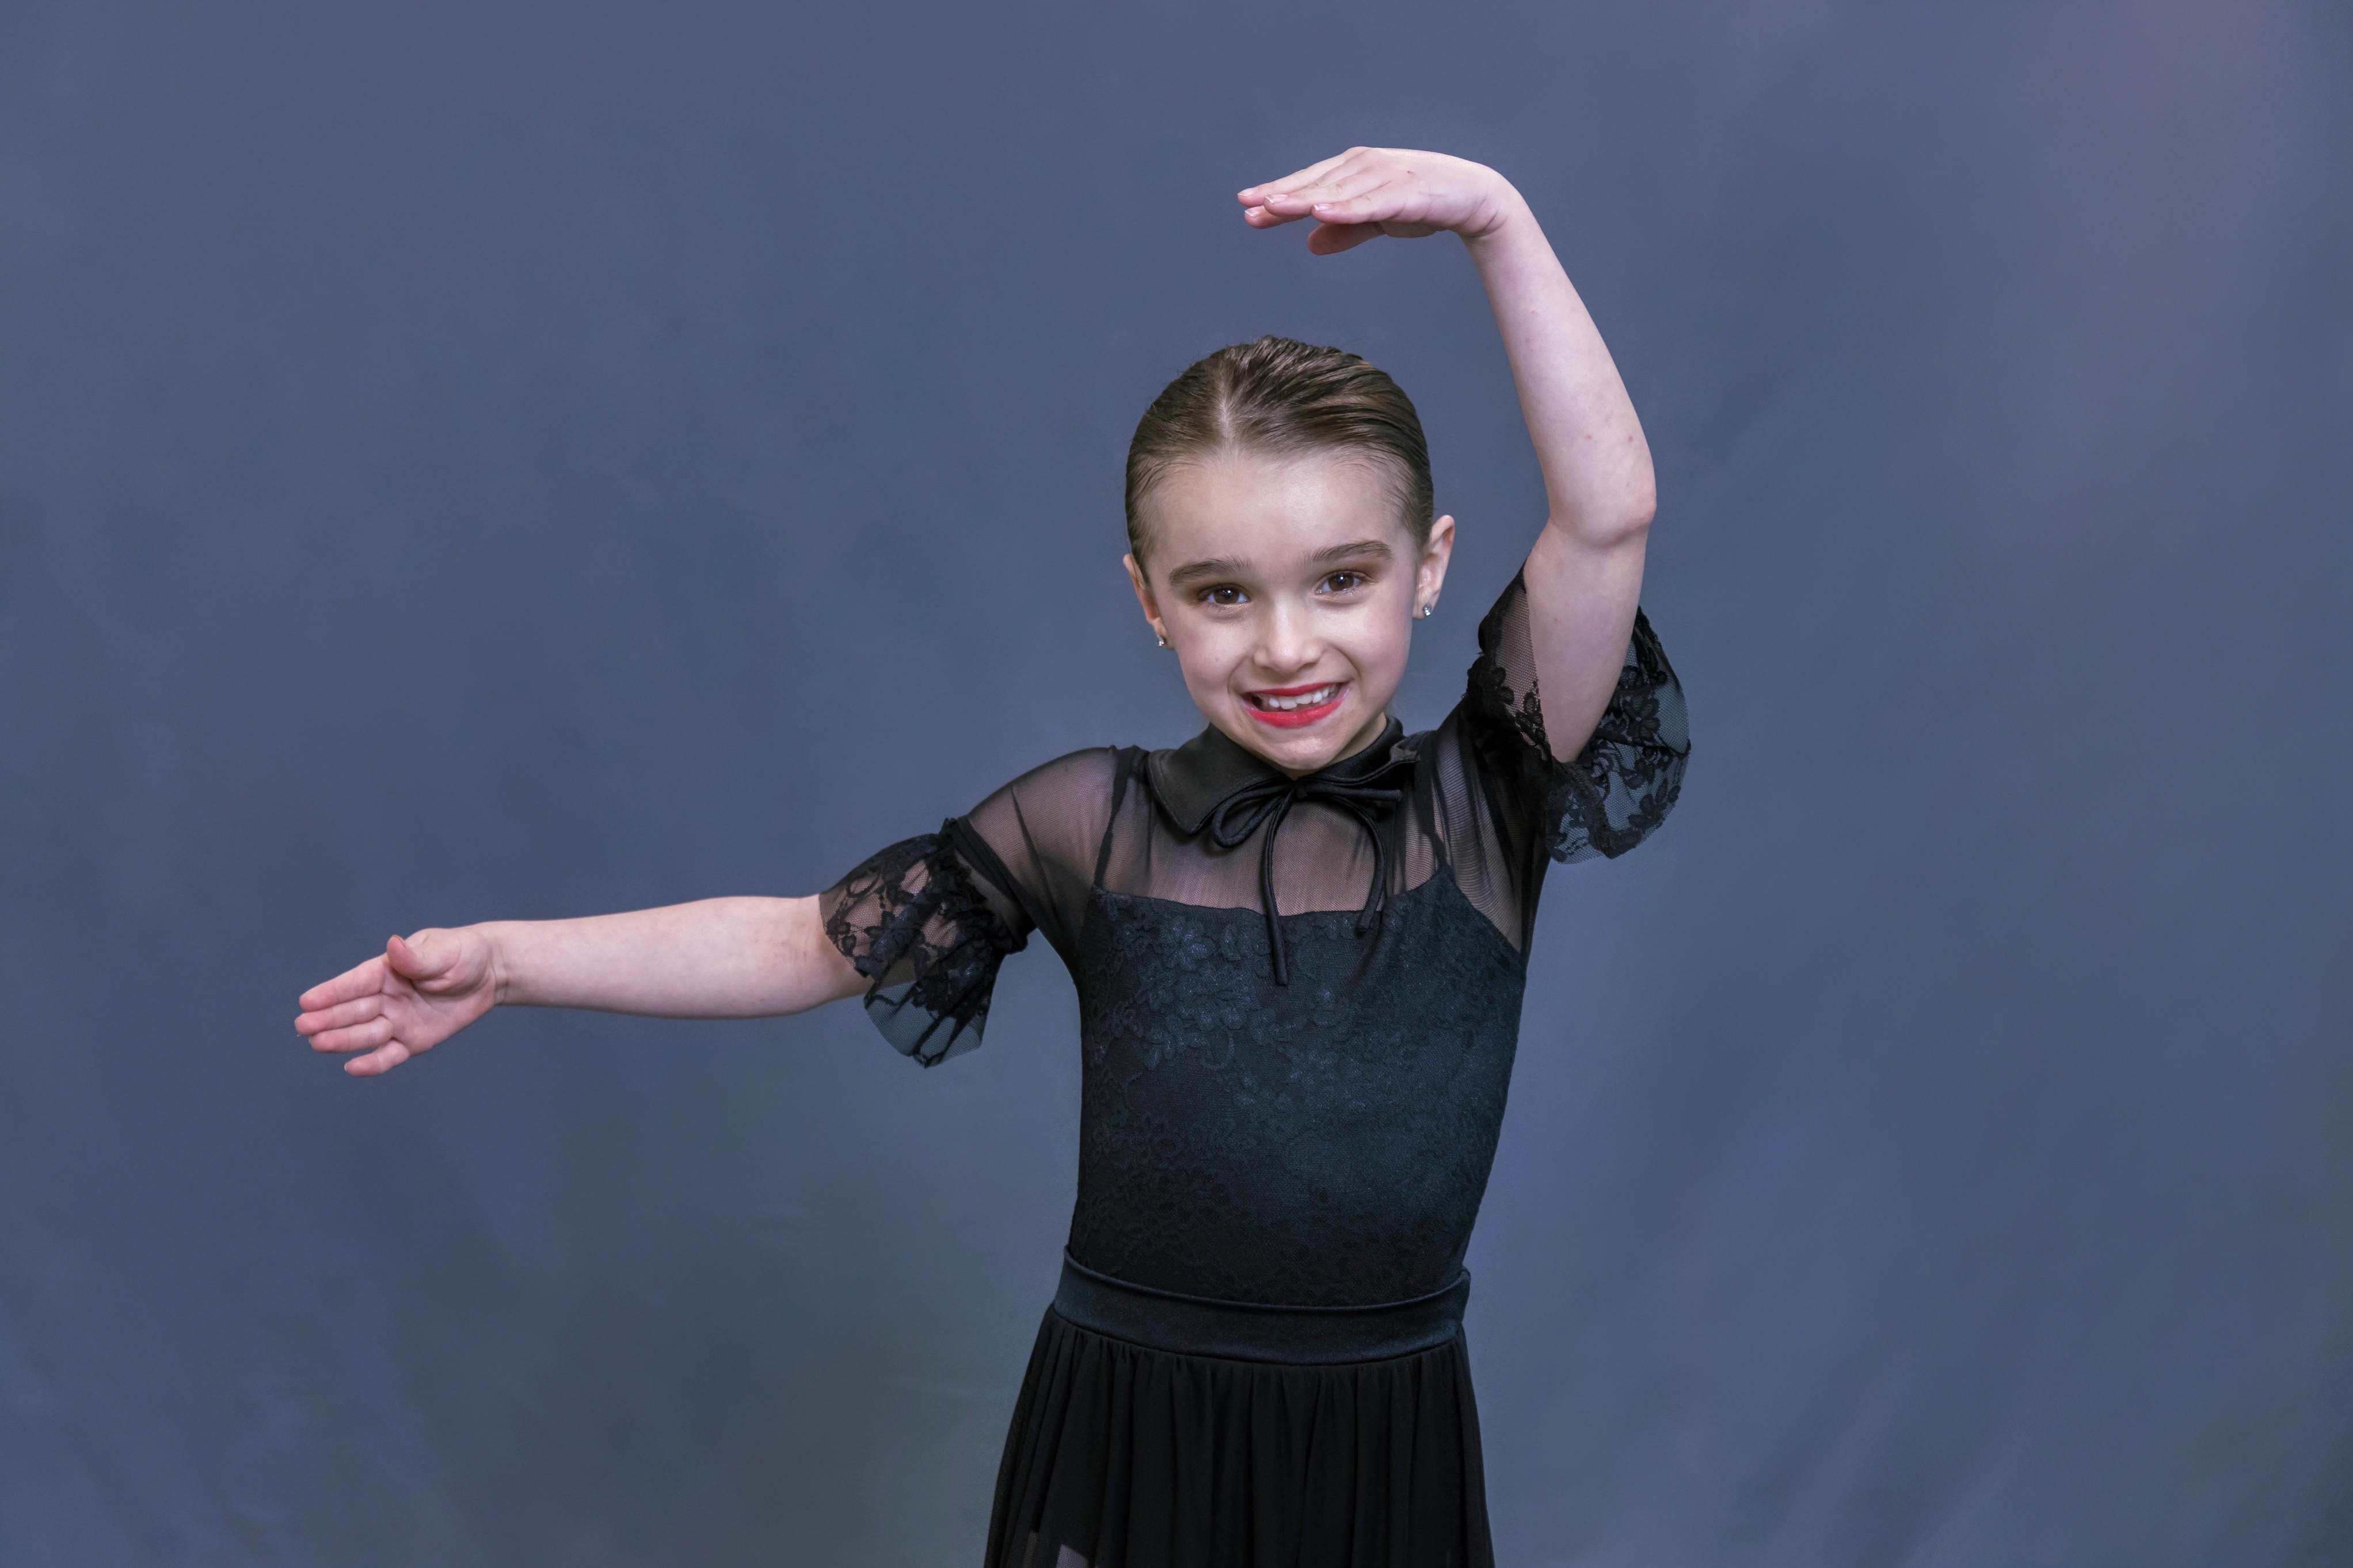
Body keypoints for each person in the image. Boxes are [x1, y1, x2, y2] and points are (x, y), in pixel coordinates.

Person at [295, 146, 1688, 1568]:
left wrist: (1495, 222)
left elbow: (1607, 514)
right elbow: (799, 941)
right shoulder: (1089, 821)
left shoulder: (1489, 794)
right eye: (1222, 593)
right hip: (1129, 1415)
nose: (1285, 644)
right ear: (1149, 601)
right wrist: (513, 964)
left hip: (1381, 1425)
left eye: (1341, 579)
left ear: (1432, 563)